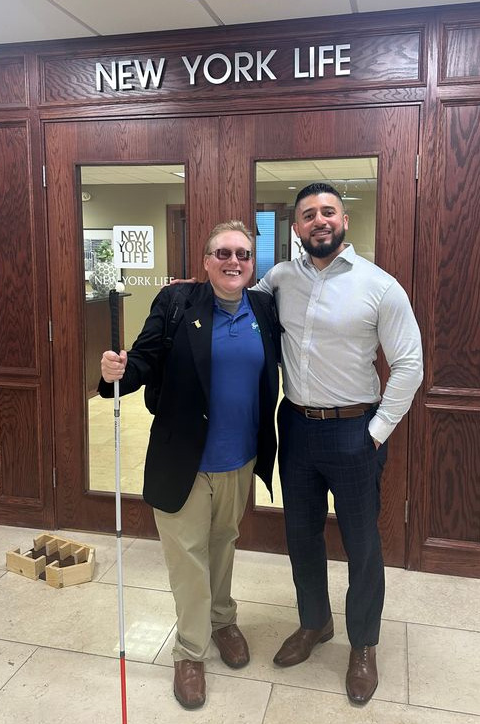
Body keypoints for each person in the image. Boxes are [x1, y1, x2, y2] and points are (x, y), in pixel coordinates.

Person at [99, 220, 280, 710]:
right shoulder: (177, 304)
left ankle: (224, 620)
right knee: (188, 561)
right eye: (222, 252)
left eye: (243, 253)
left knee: (224, 545)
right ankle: (190, 652)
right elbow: (145, 358)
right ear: (205, 262)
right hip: (183, 459)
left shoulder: (264, 307)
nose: (233, 261)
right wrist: (119, 370)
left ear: (252, 262)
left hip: (238, 459)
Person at [254, 182, 423, 706]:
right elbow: (235, 307)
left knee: (362, 545)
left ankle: (364, 645)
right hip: (297, 429)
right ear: (297, 228)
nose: (318, 221)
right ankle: (314, 623)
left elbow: (410, 365)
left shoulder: (380, 286)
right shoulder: (279, 278)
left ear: (344, 221)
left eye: (328, 211)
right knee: (301, 536)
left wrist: (374, 433)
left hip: (355, 431)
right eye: (308, 215)